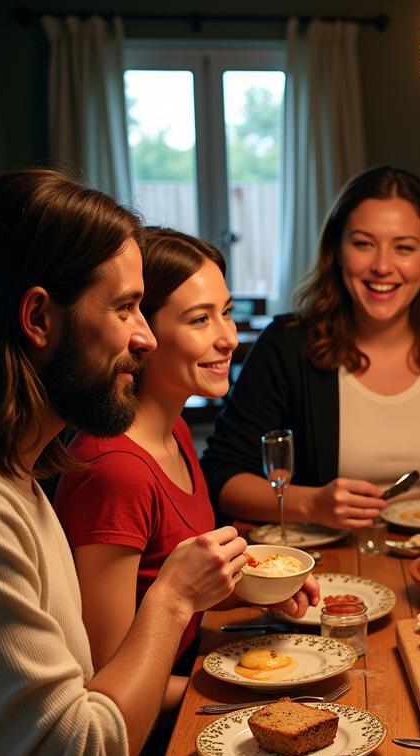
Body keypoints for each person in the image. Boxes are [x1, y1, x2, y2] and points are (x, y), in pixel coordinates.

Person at [0, 167, 242, 756]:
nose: (142, 339)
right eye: (126, 308)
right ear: (38, 318)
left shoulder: (27, 478)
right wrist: (172, 597)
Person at [55, 229, 318, 720]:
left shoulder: (173, 429)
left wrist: (246, 585)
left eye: (226, 311)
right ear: (142, 334)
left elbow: (161, 589)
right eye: (200, 319)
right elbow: (104, 679)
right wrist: (246, 692)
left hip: (181, 687)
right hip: (146, 736)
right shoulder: (116, 470)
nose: (229, 337)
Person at [201, 166, 420, 527]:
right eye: (363, 244)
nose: (381, 266)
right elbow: (221, 474)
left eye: (404, 248)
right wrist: (311, 504)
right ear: (337, 250)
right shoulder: (287, 343)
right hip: (327, 568)